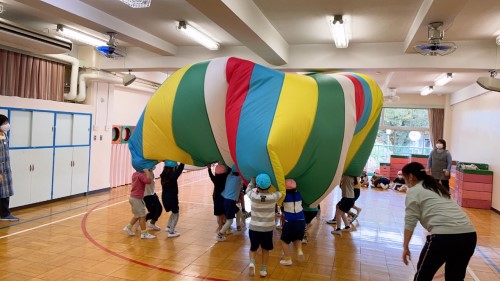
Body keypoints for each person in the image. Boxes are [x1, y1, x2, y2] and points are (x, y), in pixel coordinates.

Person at [401, 162, 476, 281]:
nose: (405, 182)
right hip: (469, 236)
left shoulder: (414, 191)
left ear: (410, 176)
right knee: (455, 278)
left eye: (405, 178)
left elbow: (410, 222)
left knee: (423, 276)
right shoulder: (436, 187)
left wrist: (405, 247)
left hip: (444, 238)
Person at [246, 173, 282, 277]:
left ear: (257, 186)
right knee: (265, 250)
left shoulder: (253, 196)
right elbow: (281, 192)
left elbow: (248, 190)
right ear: (270, 186)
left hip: (254, 228)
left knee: (253, 248)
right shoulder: (273, 197)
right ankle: (263, 270)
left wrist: (252, 181)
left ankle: (252, 263)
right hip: (267, 230)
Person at [123, 168, 156, 239]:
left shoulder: (135, 174)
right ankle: (144, 233)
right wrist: (147, 172)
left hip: (134, 197)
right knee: (142, 216)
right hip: (136, 199)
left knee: (137, 215)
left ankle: (128, 227)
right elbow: (148, 181)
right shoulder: (140, 175)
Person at [279, 179, 305, 266]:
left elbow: (279, 205)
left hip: (290, 221)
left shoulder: (284, 196)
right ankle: (299, 251)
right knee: (297, 238)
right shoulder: (299, 194)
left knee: (284, 241)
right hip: (301, 220)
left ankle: (288, 259)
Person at [216, 165, 244, 242]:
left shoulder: (229, 176)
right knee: (230, 221)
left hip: (226, 199)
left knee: (239, 212)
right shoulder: (239, 179)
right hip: (230, 201)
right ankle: (220, 235)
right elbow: (246, 178)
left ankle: (238, 227)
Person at [0, 114, 19, 221]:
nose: (6, 125)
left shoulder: (4, 135)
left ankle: (5, 213)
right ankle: (4, 214)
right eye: (4, 123)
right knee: (2, 192)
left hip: (6, 168)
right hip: (0, 169)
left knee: (6, 193)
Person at [161, 160, 185, 238]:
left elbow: (178, 170)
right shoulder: (172, 176)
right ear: (174, 167)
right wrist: (183, 161)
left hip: (164, 197)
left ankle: (168, 227)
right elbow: (180, 169)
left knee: (173, 212)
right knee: (176, 213)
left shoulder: (163, 175)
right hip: (172, 197)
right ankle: (171, 232)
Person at [207, 163, 230, 234]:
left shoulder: (215, 179)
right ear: (224, 172)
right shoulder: (226, 177)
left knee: (219, 214)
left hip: (216, 197)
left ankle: (220, 228)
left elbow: (211, 175)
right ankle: (226, 228)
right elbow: (229, 170)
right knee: (225, 213)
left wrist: (209, 168)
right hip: (224, 196)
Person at [143, 166, 162, 230]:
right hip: (146, 195)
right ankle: (141, 220)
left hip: (153, 193)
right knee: (153, 212)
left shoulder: (151, 171)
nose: (154, 166)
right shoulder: (144, 172)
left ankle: (152, 223)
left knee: (159, 209)